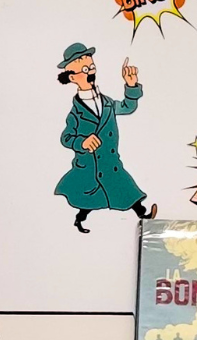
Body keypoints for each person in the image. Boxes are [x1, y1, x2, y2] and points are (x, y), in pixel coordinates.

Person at [52, 42, 156, 233]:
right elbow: (66, 137)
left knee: (125, 188)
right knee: (86, 197)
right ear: (72, 77)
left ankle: (143, 214)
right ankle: (79, 220)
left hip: (110, 161)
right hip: (89, 165)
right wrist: (82, 142)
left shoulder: (107, 102)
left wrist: (131, 86)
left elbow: (127, 107)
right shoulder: (76, 112)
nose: (90, 72)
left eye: (91, 67)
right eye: (85, 69)